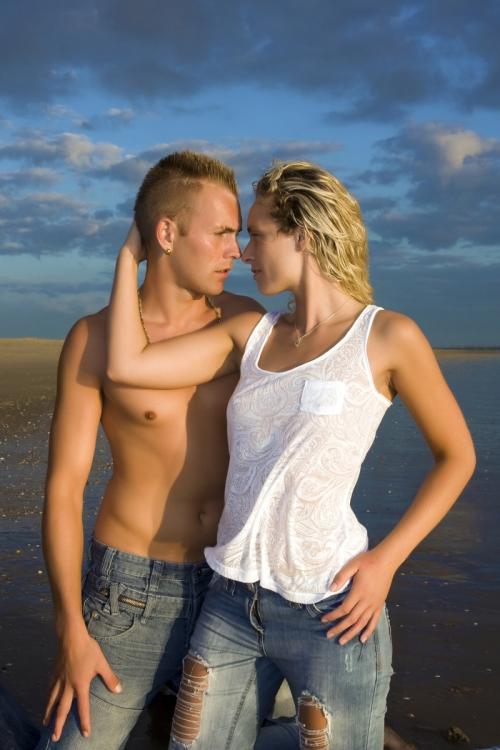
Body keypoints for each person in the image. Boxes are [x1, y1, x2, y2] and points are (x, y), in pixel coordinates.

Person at [107, 160, 476, 750]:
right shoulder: (250, 334)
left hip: (331, 609)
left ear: (302, 234)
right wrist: (132, 256)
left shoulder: (386, 337)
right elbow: (126, 366)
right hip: (229, 602)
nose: (244, 252)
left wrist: (385, 563)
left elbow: (457, 456)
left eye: (255, 233)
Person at [36, 151, 260, 749]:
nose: (234, 251)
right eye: (220, 233)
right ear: (166, 233)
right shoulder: (94, 338)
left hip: (231, 587)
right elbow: (64, 491)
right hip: (130, 592)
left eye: (237, 235)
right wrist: (72, 631)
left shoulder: (246, 321)